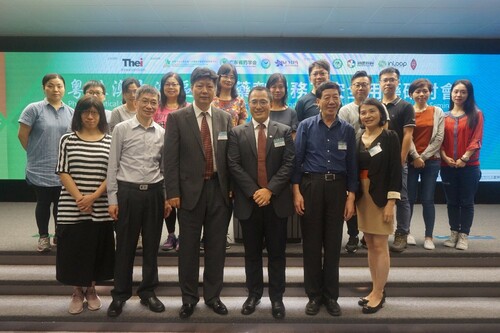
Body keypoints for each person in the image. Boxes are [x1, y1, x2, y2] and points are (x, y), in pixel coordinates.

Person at [165, 67, 233, 319]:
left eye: (209, 86)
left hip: (219, 190)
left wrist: (232, 189)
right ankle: (189, 298)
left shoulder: (225, 118)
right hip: (188, 192)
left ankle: (213, 296)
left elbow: (229, 158)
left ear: (215, 89)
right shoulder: (177, 118)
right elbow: (169, 159)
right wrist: (172, 191)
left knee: (217, 248)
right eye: (200, 86)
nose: (205, 91)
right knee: (189, 248)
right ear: (191, 88)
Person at [228, 86, 295, 319]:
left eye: (263, 102)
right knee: (252, 254)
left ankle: (277, 299)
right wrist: (255, 192)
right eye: (254, 101)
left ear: (270, 103)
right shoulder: (237, 132)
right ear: (248, 104)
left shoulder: (283, 131)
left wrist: (269, 190)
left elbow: (289, 163)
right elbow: (233, 165)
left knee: (277, 254)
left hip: (276, 202)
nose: (258, 106)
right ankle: (253, 295)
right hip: (250, 203)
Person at [292, 81, 357, 317]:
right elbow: (297, 160)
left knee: (332, 245)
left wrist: (351, 198)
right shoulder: (306, 126)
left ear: (340, 99)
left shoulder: (348, 130)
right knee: (310, 245)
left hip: (338, 188)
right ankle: (313, 295)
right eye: (326, 97)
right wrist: (296, 191)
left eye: (336, 97)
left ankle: (331, 296)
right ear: (317, 101)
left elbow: (352, 166)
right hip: (311, 186)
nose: (331, 101)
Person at [106, 85, 171, 318]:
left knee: (152, 246)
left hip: (154, 193)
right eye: (145, 101)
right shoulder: (122, 129)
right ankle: (119, 295)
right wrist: (112, 198)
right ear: (135, 100)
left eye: (154, 102)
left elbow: (163, 168)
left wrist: (164, 197)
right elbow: (112, 165)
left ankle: (148, 292)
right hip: (128, 193)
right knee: (125, 247)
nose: (149, 106)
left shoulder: (162, 133)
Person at [55, 96, 114, 315]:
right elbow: (63, 171)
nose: (90, 117)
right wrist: (81, 197)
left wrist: (93, 197)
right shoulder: (67, 140)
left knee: (95, 250)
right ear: (78, 114)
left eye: (95, 112)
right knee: (74, 250)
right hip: (72, 207)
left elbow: (112, 174)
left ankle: (91, 289)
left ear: (101, 115)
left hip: (100, 207)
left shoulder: (110, 140)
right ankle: (77, 291)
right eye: (85, 112)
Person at [18, 73, 74, 252]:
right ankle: (43, 237)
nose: (55, 89)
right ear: (44, 88)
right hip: (39, 168)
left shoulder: (71, 112)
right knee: (43, 203)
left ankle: (59, 235)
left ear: (64, 88)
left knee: (61, 204)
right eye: (51, 85)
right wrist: (35, 153)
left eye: (59, 86)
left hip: (63, 169)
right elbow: (22, 134)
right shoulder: (33, 109)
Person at [356, 98, 402, 314]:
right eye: (363, 112)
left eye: (371, 111)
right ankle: (374, 289)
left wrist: (391, 202)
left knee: (380, 245)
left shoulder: (390, 136)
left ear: (380, 113)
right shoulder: (358, 137)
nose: (367, 115)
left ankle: (379, 293)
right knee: (370, 242)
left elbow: (395, 170)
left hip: (382, 195)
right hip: (362, 196)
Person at [440, 79, 483, 250]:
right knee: (451, 202)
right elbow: (440, 141)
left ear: (469, 94)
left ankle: (464, 236)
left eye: (463, 92)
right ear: (450, 93)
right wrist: (445, 157)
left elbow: (476, 139)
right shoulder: (444, 116)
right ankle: (453, 234)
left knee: (466, 201)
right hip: (447, 166)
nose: (459, 95)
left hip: (469, 167)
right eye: (456, 91)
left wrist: (464, 158)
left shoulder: (476, 114)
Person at [379, 67, 416, 252]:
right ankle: (377, 231)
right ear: (380, 83)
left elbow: (408, 135)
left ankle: (401, 233)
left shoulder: (405, 106)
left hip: (398, 162)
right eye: (385, 80)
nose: (388, 83)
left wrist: (400, 160)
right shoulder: (376, 106)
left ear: (398, 82)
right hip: (378, 163)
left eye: (392, 79)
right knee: (377, 196)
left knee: (401, 198)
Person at [407, 79, 445, 250]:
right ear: (411, 94)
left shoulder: (437, 111)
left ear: (430, 92)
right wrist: (415, 156)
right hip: (411, 161)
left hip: (432, 162)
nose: (421, 94)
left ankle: (429, 236)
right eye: (417, 91)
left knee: (428, 200)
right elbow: (407, 137)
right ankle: (406, 232)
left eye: (425, 91)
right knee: (408, 199)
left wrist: (423, 156)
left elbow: (439, 137)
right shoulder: (408, 111)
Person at [155, 72, 190, 252]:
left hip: (184, 159)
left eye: (175, 84)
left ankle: (184, 234)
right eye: (167, 84)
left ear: (181, 87)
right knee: (166, 196)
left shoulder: (188, 107)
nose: (171, 87)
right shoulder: (156, 109)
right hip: (159, 159)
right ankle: (170, 234)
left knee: (182, 197)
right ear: (162, 87)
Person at [338, 70, 372, 253]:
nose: (361, 87)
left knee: (368, 200)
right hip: (349, 161)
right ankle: (353, 235)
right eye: (357, 84)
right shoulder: (345, 110)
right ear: (351, 88)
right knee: (350, 198)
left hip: (371, 163)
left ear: (370, 87)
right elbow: (341, 137)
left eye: (364, 84)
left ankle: (368, 235)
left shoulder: (377, 106)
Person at [212, 63, 248, 127]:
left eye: (232, 77)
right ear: (219, 77)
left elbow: (242, 127)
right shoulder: (211, 99)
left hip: (234, 136)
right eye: (225, 76)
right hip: (213, 136)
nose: (229, 80)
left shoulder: (239, 101)